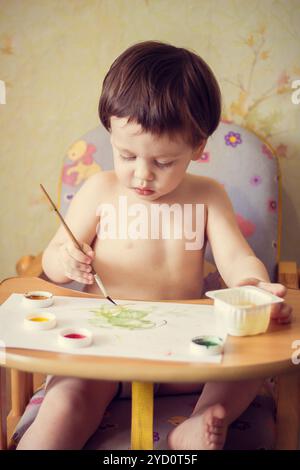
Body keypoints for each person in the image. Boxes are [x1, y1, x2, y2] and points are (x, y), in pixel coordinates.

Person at [17, 41, 292, 450]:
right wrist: (67, 260)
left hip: (187, 350)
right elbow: (53, 263)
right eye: (126, 155)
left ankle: (199, 421)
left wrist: (253, 286)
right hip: (102, 349)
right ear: (110, 130)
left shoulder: (208, 194)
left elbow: (236, 257)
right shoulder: (99, 190)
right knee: (66, 401)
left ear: (198, 147)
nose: (141, 175)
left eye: (163, 162)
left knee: (246, 362)